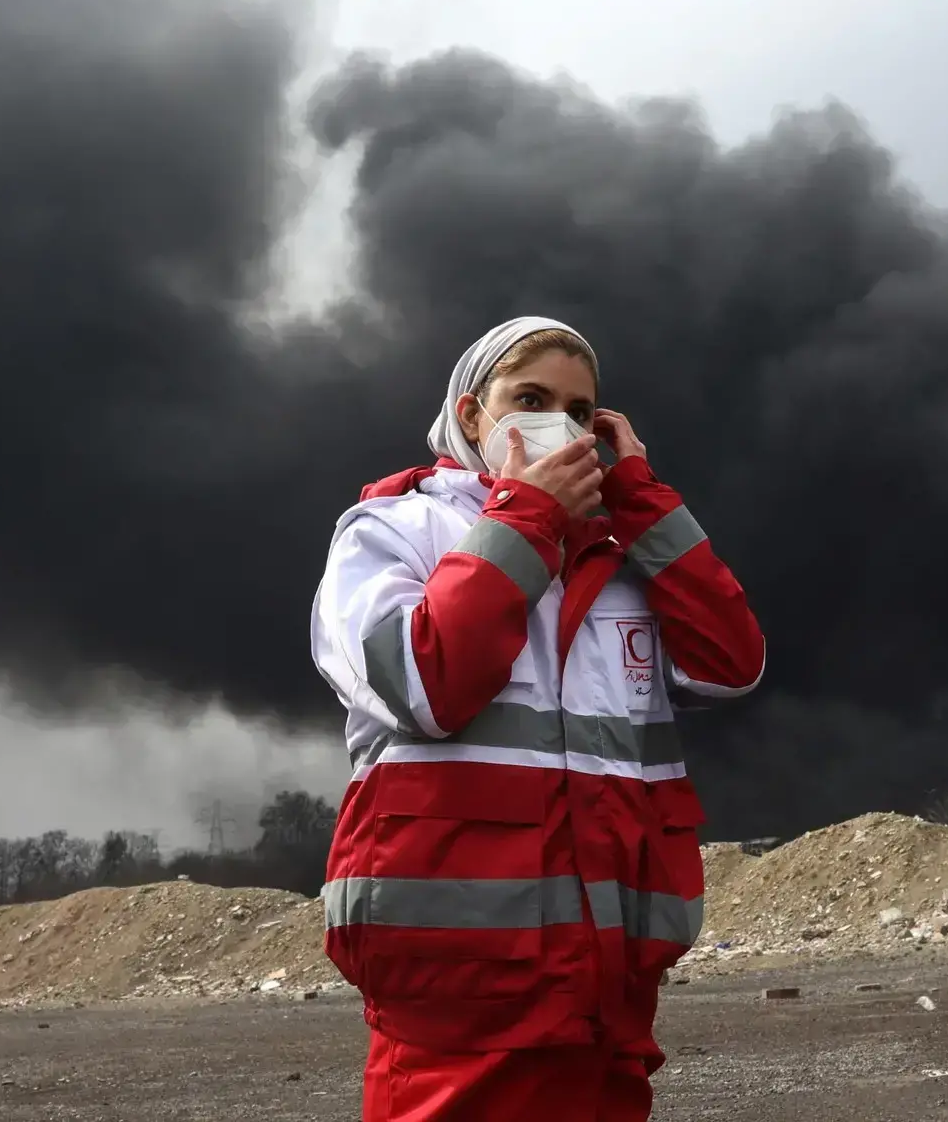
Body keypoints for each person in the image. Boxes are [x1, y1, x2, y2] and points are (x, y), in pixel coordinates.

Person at [311, 315, 767, 1121]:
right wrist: (527, 517)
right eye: (529, 399)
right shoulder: (394, 533)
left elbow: (731, 665)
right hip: (460, 995)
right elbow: (423, 685)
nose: (558, 424)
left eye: (579, 410)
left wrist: (641, 502)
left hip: (605, 990)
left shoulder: (619, 560)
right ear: (471, 414)